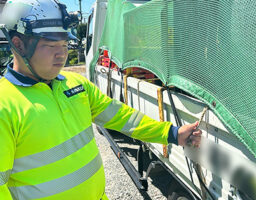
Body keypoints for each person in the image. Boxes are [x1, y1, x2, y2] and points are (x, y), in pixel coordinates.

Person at [0, 0, 202, 199]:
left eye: (64, 43)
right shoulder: (4, 104)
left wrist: (172, 133)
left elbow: (123, 117)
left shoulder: (75, 84)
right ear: (19, 44)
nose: (62, 53)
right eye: (50, 44)